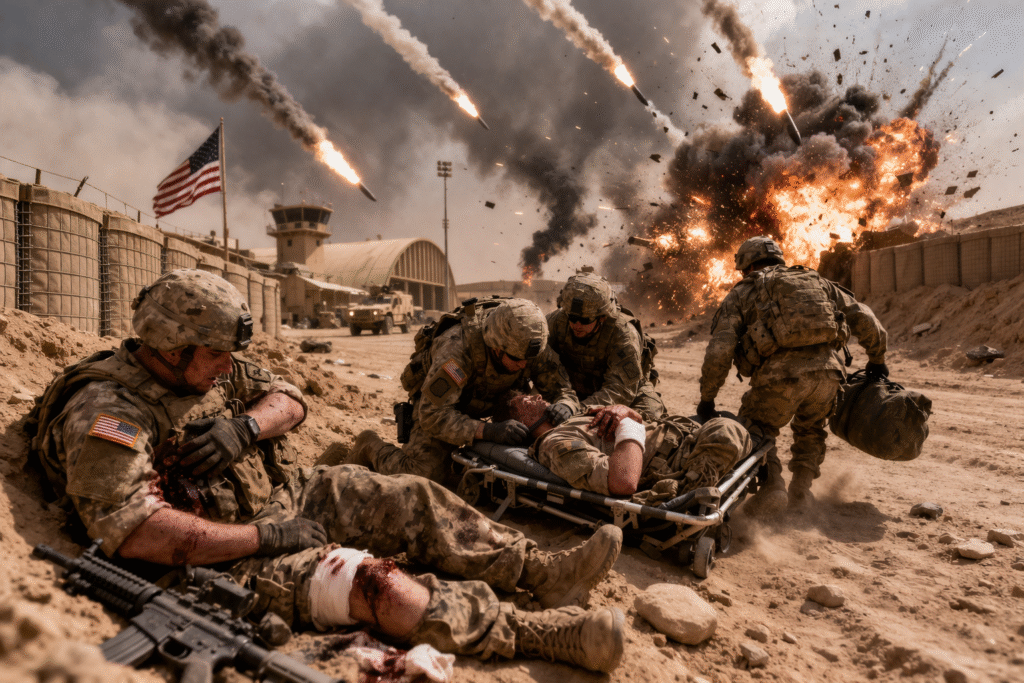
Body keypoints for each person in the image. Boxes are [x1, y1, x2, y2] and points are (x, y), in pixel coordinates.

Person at [25, 270, 625, 673]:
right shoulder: (109, 412)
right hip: (216, 556)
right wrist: (262, 538)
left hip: (283, 498)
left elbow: (288, 396)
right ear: (172, 345)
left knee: (412, 497)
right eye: (214, 356)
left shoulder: (209, 366)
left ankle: (538, 571)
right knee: (373, 585)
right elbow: (133, 531)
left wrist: (246, 428)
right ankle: (529, 632)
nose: (226, 368)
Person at [697, 236, 888, 515]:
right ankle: (801, 491)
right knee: (811, 429)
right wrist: (877, 359)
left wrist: (707, 398)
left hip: (779, 379)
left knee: (755, 427)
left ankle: (773, 485)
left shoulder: (743, 292)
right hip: (830, 376)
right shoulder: (816, 281)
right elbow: (866, 318)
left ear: (747, 267)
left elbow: (720, 350)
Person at [349, 298, 580, 483]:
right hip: (447, 406)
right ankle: (369, 445)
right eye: (516, 359)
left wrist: (566, 405)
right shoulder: (457, 352)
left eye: (529, 359)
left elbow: (563, 389)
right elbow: (433, 415)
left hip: (497, 398)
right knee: (422, 475)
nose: (524, 365)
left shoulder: (528, 345)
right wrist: (487, 431)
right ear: (496, 347)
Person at [502, 394, 752, 499]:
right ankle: (693, 491)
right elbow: (623, 481)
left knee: (727, 418)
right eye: (525, 400)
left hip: (684, 436)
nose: (536, 396)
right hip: (677, 460)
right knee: (728, 429)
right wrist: (629, 425)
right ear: (520, 423)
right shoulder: (555, 443)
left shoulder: (574, 417)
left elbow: (640, 423)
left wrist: (626, 412)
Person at [546, 272, 665, 421]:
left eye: (585, 320)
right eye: (573, 317)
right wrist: (564, 401)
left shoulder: (623, 334)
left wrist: (577, 410)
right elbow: (536, 365)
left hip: (626, 391)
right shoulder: (556, 321)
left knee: (646, 422)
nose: (577, 325)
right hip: (572, 388)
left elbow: (621, 390)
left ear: (602, 317)